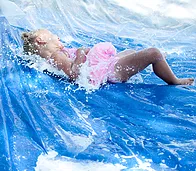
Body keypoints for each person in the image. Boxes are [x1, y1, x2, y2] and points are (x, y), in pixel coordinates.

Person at [21, 29, 194, 86]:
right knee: (153, 53)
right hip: (108, 72)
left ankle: (153, 60)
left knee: (129, 52)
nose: (59, 39)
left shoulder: (53, 58)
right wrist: (81, 51)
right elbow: (75, 73)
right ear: (41, 40)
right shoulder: (57, 56)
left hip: (104, 67)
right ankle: (174, 80)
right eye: (54, 37)